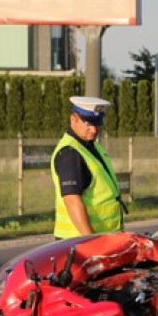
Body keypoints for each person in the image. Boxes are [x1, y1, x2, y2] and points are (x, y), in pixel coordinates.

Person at [51, 96, 126, 239]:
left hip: (103, 238)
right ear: (73, 119)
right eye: (88, 123)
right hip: (79, 242)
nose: (93, 129)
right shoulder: (70, 153)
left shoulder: (90, 145)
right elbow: (72, 201)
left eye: (97, 124)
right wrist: (91, 240)